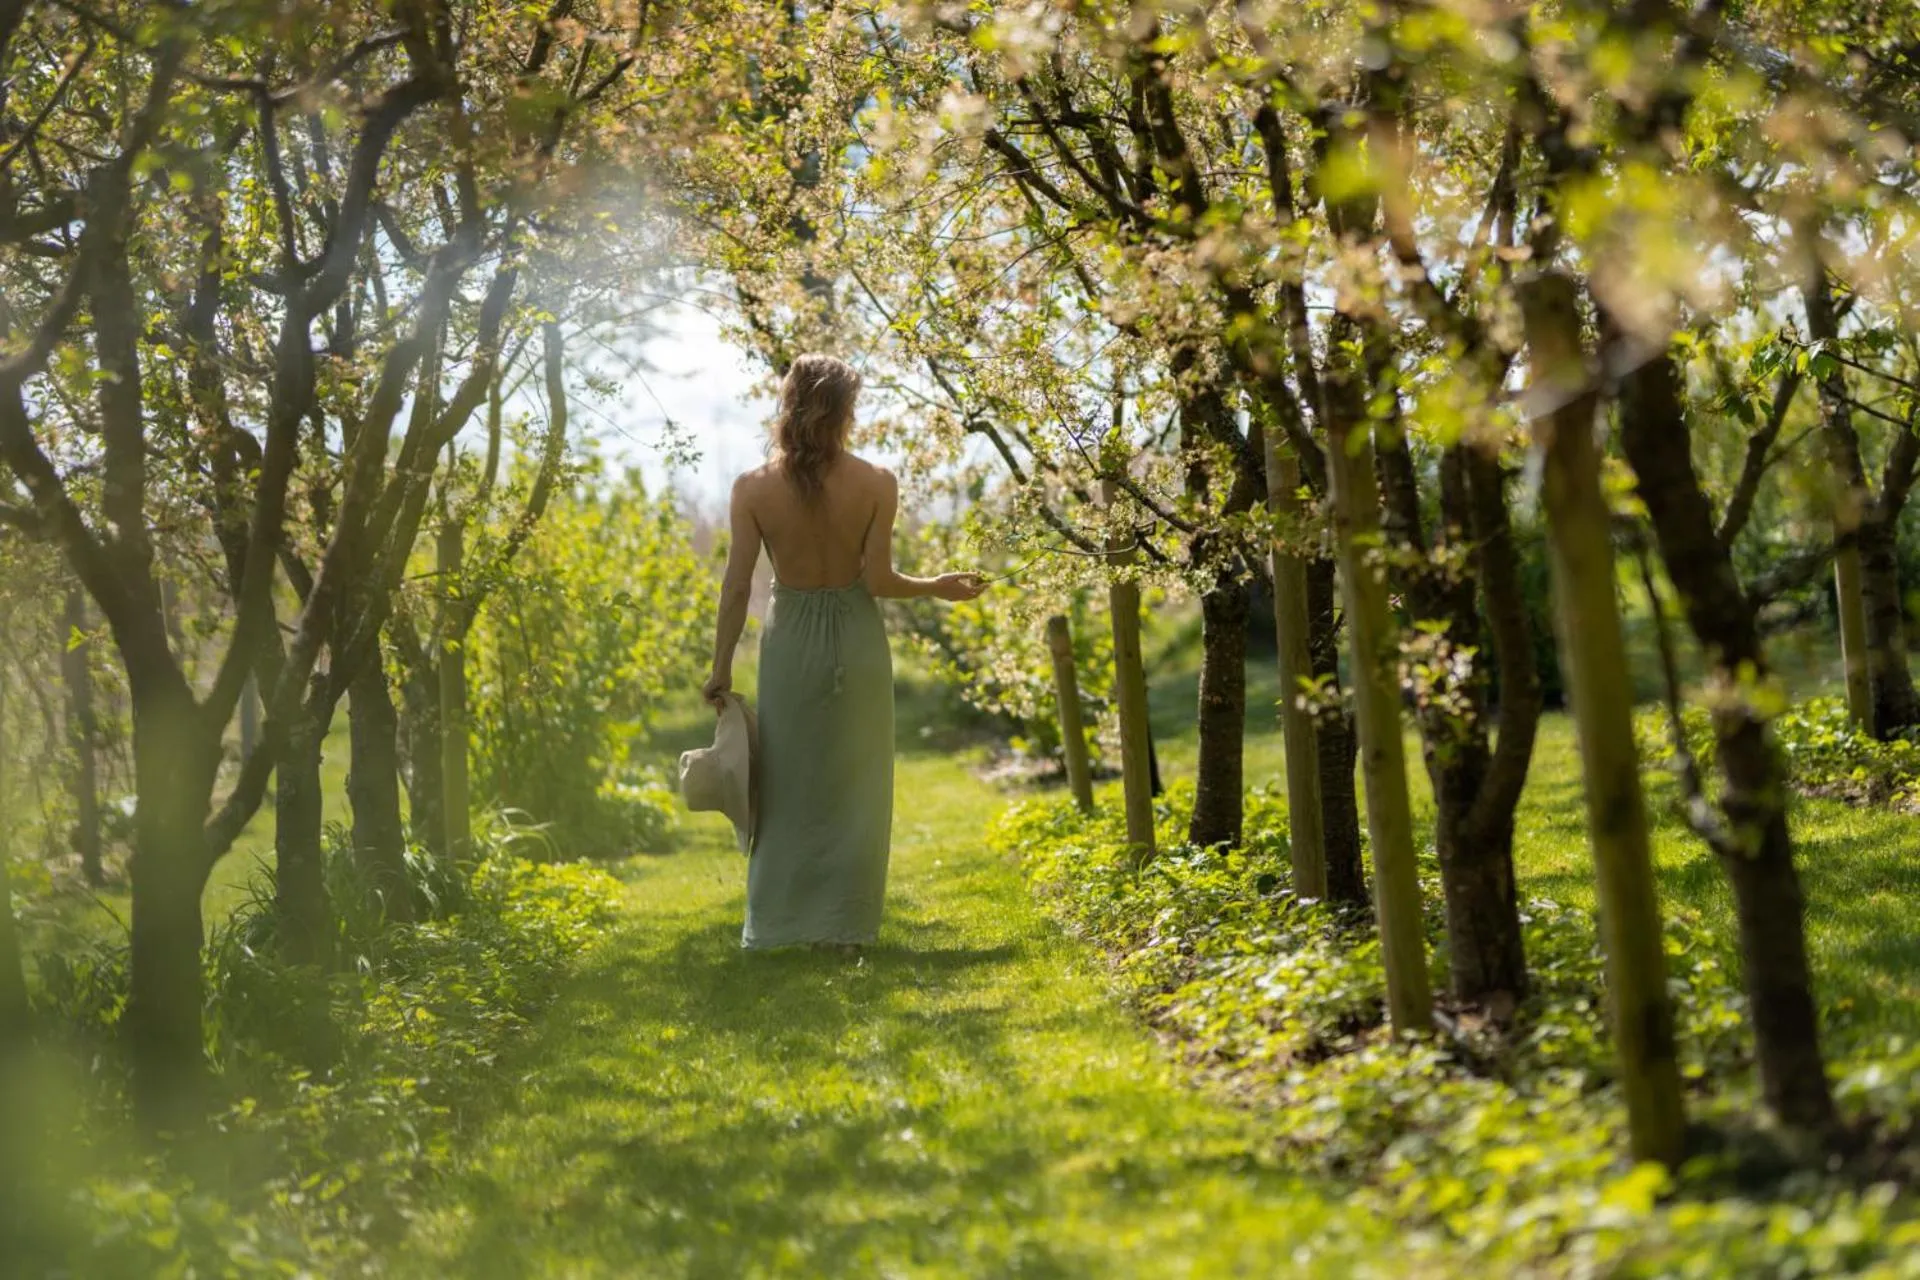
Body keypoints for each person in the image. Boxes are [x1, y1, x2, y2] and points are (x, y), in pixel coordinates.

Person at [703, 354, 986, 952]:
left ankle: (777, 928)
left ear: (791, 404)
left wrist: (722, 665)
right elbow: (878, 582)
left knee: (784, 784)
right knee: (857, 782)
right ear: (846, 410)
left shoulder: (753, 487)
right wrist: (938, 585)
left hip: (790, 641)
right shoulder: (877, 481)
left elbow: (735, 586)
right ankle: (847, 928)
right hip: (857, 638)